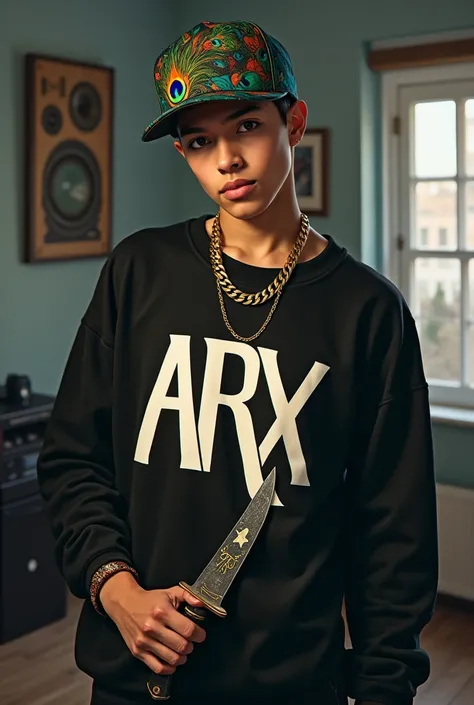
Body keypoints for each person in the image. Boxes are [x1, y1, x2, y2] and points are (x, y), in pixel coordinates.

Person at [36, 19, 438, 705]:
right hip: (136, 678)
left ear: (294, 123)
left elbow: (393, 541)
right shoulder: (141, 270)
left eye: (246, 125)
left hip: (291, 685)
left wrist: (383, 690)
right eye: (198, 141)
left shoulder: (367, 311)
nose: (225, 159)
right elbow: (74, 456)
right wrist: (117, 589)